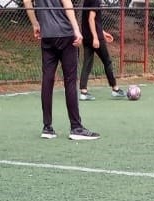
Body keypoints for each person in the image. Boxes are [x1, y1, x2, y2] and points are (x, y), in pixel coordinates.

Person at [24, 0, 100, 140]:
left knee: (47, 80)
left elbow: (27, 1)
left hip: (47, 35)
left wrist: (35, 23)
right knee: (70, 81)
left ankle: (47, 127)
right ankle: (76, 128)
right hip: (65, 33)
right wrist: (76, 30)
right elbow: (67, 3)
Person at [79, 0, 120, 101]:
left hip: (87, 37)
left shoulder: (87, 1)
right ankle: (115, 89)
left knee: (87, 63)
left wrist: (103, 33)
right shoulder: (95, 0)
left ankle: (83, 92)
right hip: (94, 38)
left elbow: (94, 21)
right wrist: (96, 37)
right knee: (107, 62)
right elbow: (91, 19)